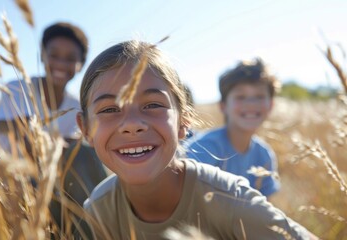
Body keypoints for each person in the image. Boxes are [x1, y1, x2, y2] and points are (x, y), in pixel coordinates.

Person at [76, 40, 318, 239]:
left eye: (152, 105)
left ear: (184, 123)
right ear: (84, 128)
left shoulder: (226, 197)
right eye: (109, 109)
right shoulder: (98, 210)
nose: (131, 124)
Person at [0, 21, 108, 235]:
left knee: (87, 155)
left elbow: (72, 146)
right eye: (54, 55)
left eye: (71, 59)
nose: (61, 64)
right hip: (9, 172)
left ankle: (98, 222)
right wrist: (35, 131)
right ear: (42, 56)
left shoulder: (76, 105)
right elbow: (5, 128)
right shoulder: (18, 88)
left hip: (52, 174)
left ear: (81, 64)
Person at [185, 58, 280, 198]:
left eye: (259, 96)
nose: (251, 104)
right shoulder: (205, 148)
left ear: (271, 105)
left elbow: (266, 210)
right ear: (223, 106)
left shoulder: (264, 156)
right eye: (241, 97)